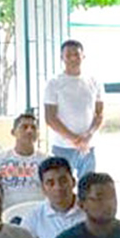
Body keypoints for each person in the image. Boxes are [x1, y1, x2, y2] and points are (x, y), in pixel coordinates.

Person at [43, 39, 104, 178]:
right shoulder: (54, 83)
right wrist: (75, 139)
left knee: (88, 186)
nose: (73, 58)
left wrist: (88, 136)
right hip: (62, 146)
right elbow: (50, 118)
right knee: (62, 186)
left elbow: (99, 114)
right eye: (68, 55)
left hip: (89, 146)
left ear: (83, 56)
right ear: (62, 58)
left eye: (76, 54)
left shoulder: (94, 81)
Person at [16, 156, 85, 238]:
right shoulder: (34, 218)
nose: (58, 187)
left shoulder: (90, 212)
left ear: (73, 182)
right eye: (50, 183)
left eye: (63, 181)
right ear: (43, 188)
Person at [0, 112, 49, 206]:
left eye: (33, 127)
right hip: (6, 214)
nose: (29, 131)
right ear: (13, 132)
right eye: (24, 127)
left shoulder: (47, 161)